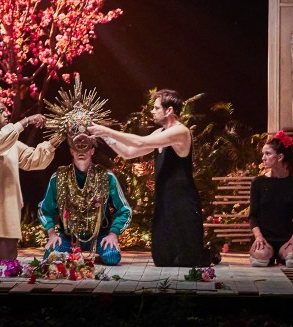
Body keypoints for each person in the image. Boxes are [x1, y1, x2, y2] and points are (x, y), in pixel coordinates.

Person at [88, 88, 217, 267]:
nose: (152, 111)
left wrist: (108, 131)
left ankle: (209, 254)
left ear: (169, 110)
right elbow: (128, 152)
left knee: (187, 261)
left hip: (183, 202)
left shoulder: (180, 131)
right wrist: (105, 136)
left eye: (156, 108)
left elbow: (140, 141)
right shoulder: (159, 133)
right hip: (164, 201)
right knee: (162, 259)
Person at [0, 93, 62, 264]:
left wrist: (58, 138)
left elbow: (33, 159)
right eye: (1, 111)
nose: (6, 113)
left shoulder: (11, 141)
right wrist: (27, 121)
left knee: (7, 260)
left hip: (6, 203)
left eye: (5, 110)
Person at [38, 139, 131, 265]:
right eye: (77, 147)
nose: (81, 151)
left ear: (92, 151)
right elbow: (44, 210)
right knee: (51, 257)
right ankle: (73, 256)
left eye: (85, 147)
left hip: (99, 236)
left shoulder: (106, 176)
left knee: (112, 257)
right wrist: (52, 234)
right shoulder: (59, 177)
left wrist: (113, 233)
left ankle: (86, 258)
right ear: (71, 151)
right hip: (69, 237)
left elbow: (125, 210)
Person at [248, 130, 293, 267]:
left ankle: (282, 256)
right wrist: (258, 237)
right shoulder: (258, 183)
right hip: (264, 238)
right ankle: (266, 254)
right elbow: (252, 216)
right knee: (260, 259)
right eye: (263, 154)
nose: (263, 158)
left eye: (268, 154)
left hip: (286, 239)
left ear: (280, 157)